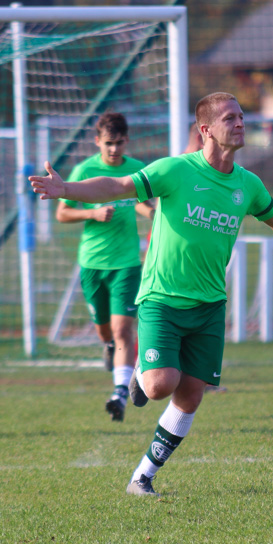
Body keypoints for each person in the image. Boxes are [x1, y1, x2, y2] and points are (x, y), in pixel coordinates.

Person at [30, 92, 273, 496]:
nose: (240, 123)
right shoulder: (175, 170)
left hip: (211, 305)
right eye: (230, 117)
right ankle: (140, 379)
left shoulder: (247, 184)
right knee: (162, 384)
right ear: (205, 130)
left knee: (191, 396)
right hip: (162, 297)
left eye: (242, 116)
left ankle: (141, 478)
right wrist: (66, 189)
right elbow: (117, 185)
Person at [56, 112, 154, 422]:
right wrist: (92, 215)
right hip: (92, 264)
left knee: (123, 327)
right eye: (108, 144)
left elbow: (136, 200)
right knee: (104, 330)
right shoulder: (85, 170)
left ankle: (119, 394)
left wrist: (150, 211)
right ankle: (109, 346)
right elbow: (62, 213)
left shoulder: (137, 169)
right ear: (97, 141)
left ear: (127, 141)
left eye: (119, 143)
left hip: (126, 263)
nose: (114, 150)